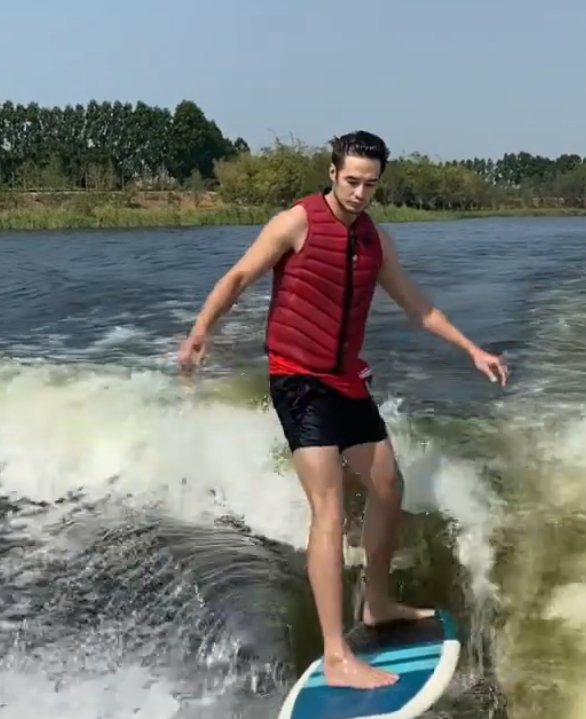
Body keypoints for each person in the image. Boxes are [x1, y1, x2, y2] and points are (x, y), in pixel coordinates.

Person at [177, 130, 508, 690]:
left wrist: (471, 349)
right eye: (351, 180)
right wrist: (201, 331)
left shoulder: (375, 240)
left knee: (388, 486)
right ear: (332, 173)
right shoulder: (296, 222)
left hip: (346, 381)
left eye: (370, 184)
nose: (359, 192)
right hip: (298, 381)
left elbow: (418, 306)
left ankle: (375, 602)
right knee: (328, 507)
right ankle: (336, 655)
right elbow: (238, 276)